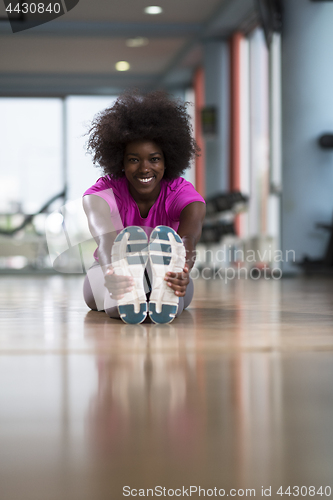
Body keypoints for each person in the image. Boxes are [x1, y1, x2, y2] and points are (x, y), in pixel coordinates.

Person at [82, 90, 206, 324]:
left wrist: (183, 269)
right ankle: (129, 286)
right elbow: (107, 239)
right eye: (134, 159)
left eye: (154, 159)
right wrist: (112, 271)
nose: (145, 168)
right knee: (106, 294)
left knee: (105, 301)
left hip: (168, 271)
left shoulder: (181, 192)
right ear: (120, 161)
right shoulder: (102, 193)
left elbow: (188, 238)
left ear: (167, 159)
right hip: (112, 266)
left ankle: (155, 287)